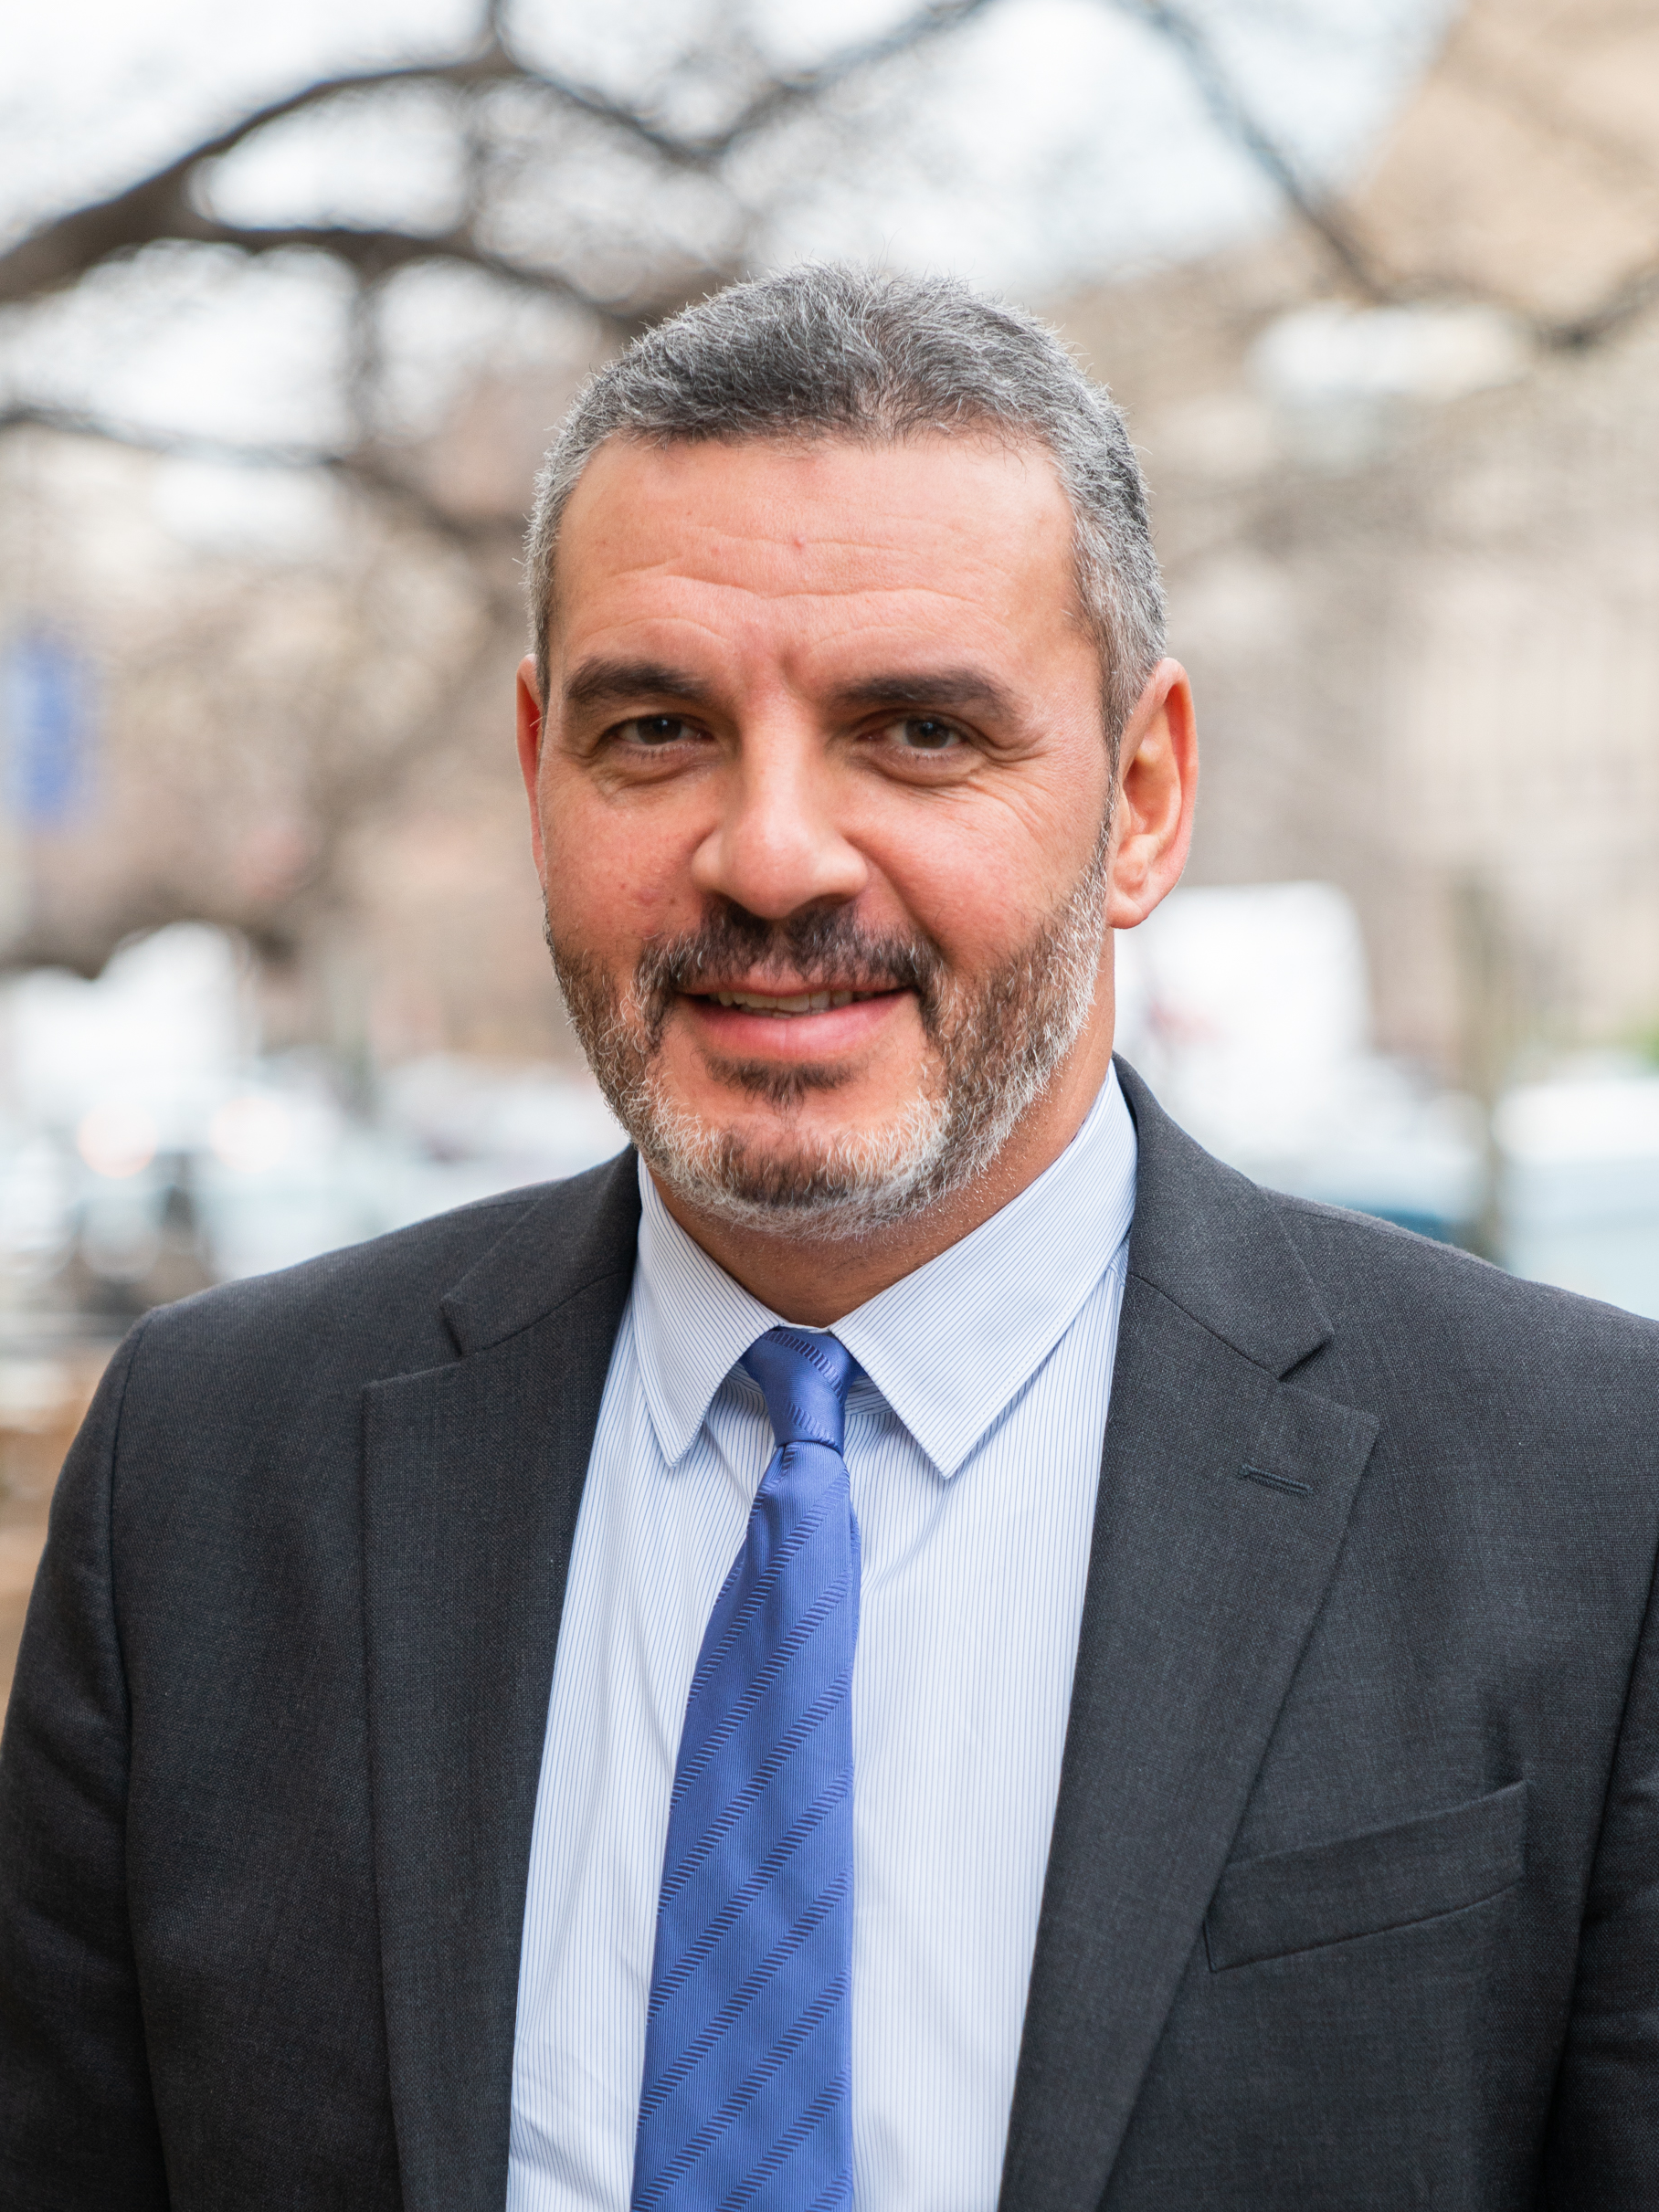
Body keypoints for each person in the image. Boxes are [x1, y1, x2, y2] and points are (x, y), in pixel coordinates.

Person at [2, 268, 1655, 2212]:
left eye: (917, 730)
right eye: (655, 728)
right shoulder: (212, 1469)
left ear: (1137, 794)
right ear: (540, 767)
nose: (770, 852)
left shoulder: (1581, 1494)